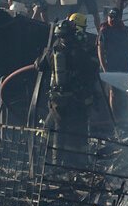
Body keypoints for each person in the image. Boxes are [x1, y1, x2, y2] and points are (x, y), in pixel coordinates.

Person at [38, 18, 104, 167]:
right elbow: (91, 70)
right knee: (80, 129)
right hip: (78, 100)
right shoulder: (80, 51)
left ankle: (56, 163)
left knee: (59, 130)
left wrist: (46, 51)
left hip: (58, 100)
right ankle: (80, 162)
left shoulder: (54, 51)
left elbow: (39, 65)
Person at [97, 8, 128, 119]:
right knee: (113, 93)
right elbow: (100, 52)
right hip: (111, 66)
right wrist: (105, 69)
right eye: (110, 17)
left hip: (126, 64)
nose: (112, 19)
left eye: (115, 17)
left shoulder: (126, 30)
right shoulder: (104, 31)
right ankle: (115, 119)